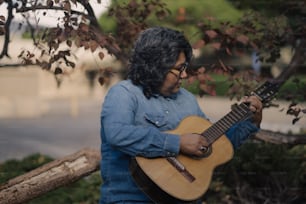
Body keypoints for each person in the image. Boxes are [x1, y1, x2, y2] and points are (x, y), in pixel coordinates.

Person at [99, 26, 263, 204]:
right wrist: (177, 143)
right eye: (179, 68)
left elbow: (214, 147)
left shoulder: (187, 100)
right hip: (130, 199)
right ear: (155, 66)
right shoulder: (124, 93)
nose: (184, 75)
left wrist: (250, 122)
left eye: (185, 67)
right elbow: (117, 134)